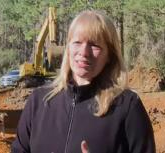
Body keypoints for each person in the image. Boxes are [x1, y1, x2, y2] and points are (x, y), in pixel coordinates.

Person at [11, 10, 155, 153]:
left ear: (109, 55)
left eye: (95, 45)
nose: (84, 52)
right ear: (68, 48)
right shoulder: (39, 101)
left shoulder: (127, 106)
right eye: (77, 42)